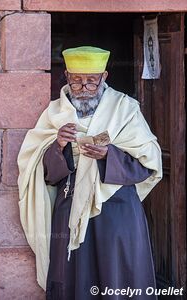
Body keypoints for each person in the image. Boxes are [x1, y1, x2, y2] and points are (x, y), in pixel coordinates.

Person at [17, 46, 163, 300]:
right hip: (70, 209)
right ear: (67, 77)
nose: (84, 89)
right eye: (77, 82)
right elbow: (45, 175)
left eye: (91, 82)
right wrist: (58, 146)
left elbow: (147, 164)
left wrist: (109, 155)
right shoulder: (54, 114)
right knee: (75, 279)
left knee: (117, 276)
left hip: (117, 211)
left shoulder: (125, 109)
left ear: (104, 77)